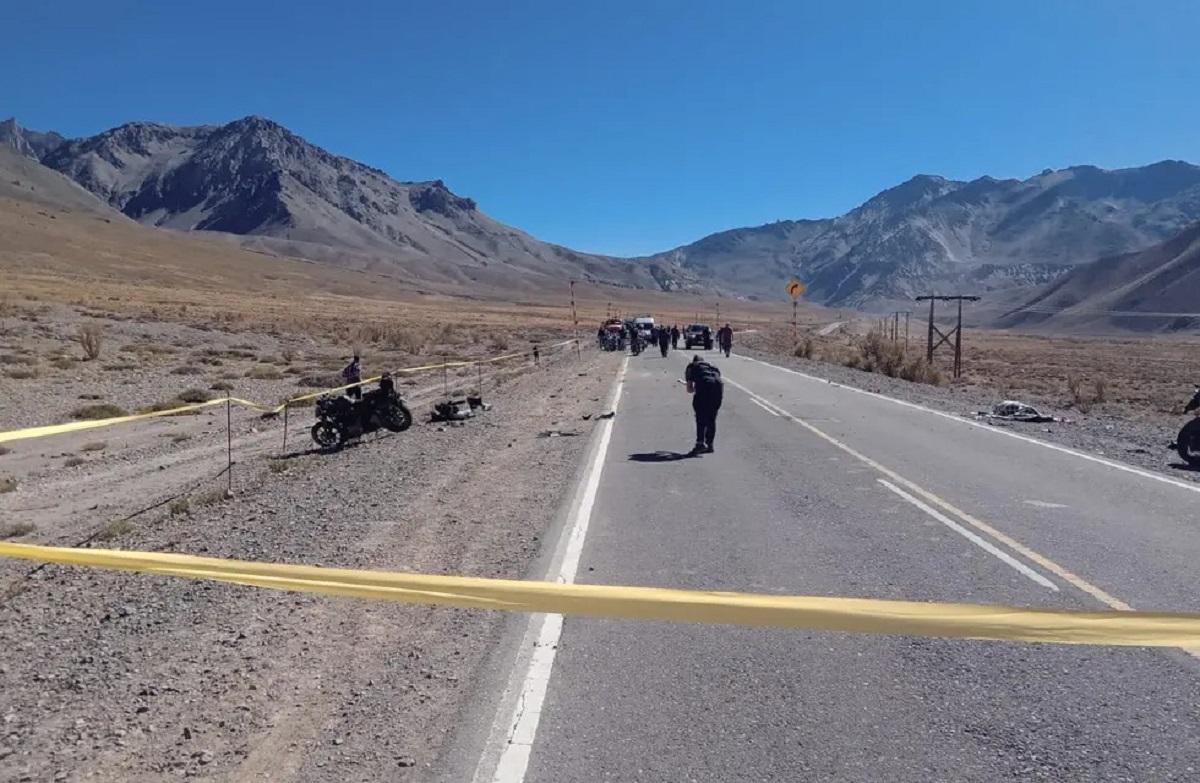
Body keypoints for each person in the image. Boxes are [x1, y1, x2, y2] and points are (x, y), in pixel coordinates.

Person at [684, 354, 723, 456]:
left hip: (704, 385)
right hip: (718, 387)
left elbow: (689, 389)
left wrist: (694, 388)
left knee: (700, 416)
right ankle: (710, 444)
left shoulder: (691, 366)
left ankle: (700, 444)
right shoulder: (713, 367)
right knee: (712, 416)